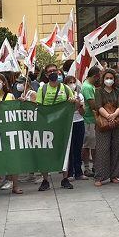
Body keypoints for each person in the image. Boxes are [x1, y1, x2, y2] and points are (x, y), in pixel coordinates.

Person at [34, 63, 74, 191]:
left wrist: (75, 101)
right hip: (46, 126)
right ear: (46, 75)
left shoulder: (66, 88)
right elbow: (38, 106)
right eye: (50, 71)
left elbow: (75, 103)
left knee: (64, 151)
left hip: (62, 125)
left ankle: (65, 178)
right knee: (45, 152)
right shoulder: (42, 89)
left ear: (58, 72)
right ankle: (45, 180)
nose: (53, 72)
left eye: (54, 70)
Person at [0, 72, 23, 196]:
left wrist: (21, 103)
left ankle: (15, 186)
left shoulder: (10, 96)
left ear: (4, 82)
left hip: (10, 132)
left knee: (14, 160)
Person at [92, 70, 119, 186]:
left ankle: (114, 175)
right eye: (107, 77)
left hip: (117, 121)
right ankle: (100, 177)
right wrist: (108, 116)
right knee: (103, 149)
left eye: (111, 78)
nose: (109, 80)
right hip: (103, 122)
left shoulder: (117, 91)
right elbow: (98, 106)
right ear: (103, 79)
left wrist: (113, 115)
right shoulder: (98, 91)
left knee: (117, 148)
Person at [64, 67, 86, 182]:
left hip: (79, 123)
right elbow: (69, 111)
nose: (72, 84)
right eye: (69, 83)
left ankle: (79, 172)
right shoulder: (64, 96)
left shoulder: (80, 95)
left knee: (78, 148)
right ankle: (70, 172)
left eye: (73, 82)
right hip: (68, 124)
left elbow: (82, 112)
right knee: (70, 149)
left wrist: (79, 103)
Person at [80, 66, 100, 178]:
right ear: (95, 76)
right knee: (88, 145)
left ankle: (95, 167)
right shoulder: (87, 87)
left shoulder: (91, 86)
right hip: (88, 120)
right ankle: (87, 168)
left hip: (92, 120)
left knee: (93, 145)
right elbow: (93, 104)